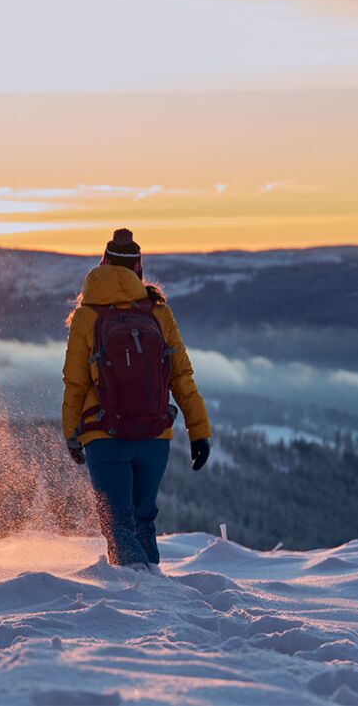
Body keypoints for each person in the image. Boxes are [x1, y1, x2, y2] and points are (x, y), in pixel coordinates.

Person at [61, 228, 211, 568]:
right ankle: (152, 600)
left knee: (118, 527)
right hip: (154, 434)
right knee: (144, 521)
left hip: (104, 434)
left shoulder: (87, 315)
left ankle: (135, 604)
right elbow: (182, 377)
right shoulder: (158, 313)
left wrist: (72, 433)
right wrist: (199, 431)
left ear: (103, 265)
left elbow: (75, 383)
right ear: (138, 269)